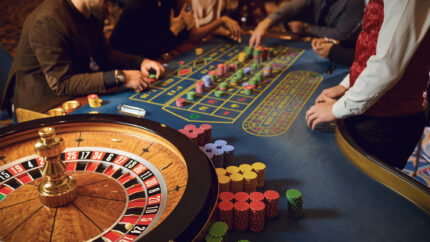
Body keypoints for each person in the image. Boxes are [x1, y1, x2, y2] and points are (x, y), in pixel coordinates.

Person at [305, 0, 430, 169]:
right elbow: (372, 47)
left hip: (388, 123)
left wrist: (337, 108)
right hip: (374, 114)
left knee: (360, 191)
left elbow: (387, 65)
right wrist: (347, 84)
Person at [0, 0, 165, 114]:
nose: (113, 2)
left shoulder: (94, 10)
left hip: (76, 91)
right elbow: (62, 84)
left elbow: (104, 54)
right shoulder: (48, 21)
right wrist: (121, 77)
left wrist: (139, 62)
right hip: (42, 105)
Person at [249, 0, 365, 47]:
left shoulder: (355, 2)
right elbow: (294, 5)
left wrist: (307, 28)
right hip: (315, 42)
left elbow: (342, 34)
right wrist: (266, 22)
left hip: (342, 48)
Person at [109, 0, 195, 60]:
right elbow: (148, 51)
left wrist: (184, 25)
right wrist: (174, 30)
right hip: (126, 65)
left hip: (150, 58)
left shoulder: (166, 3)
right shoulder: (137, 6)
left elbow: (168, 42)